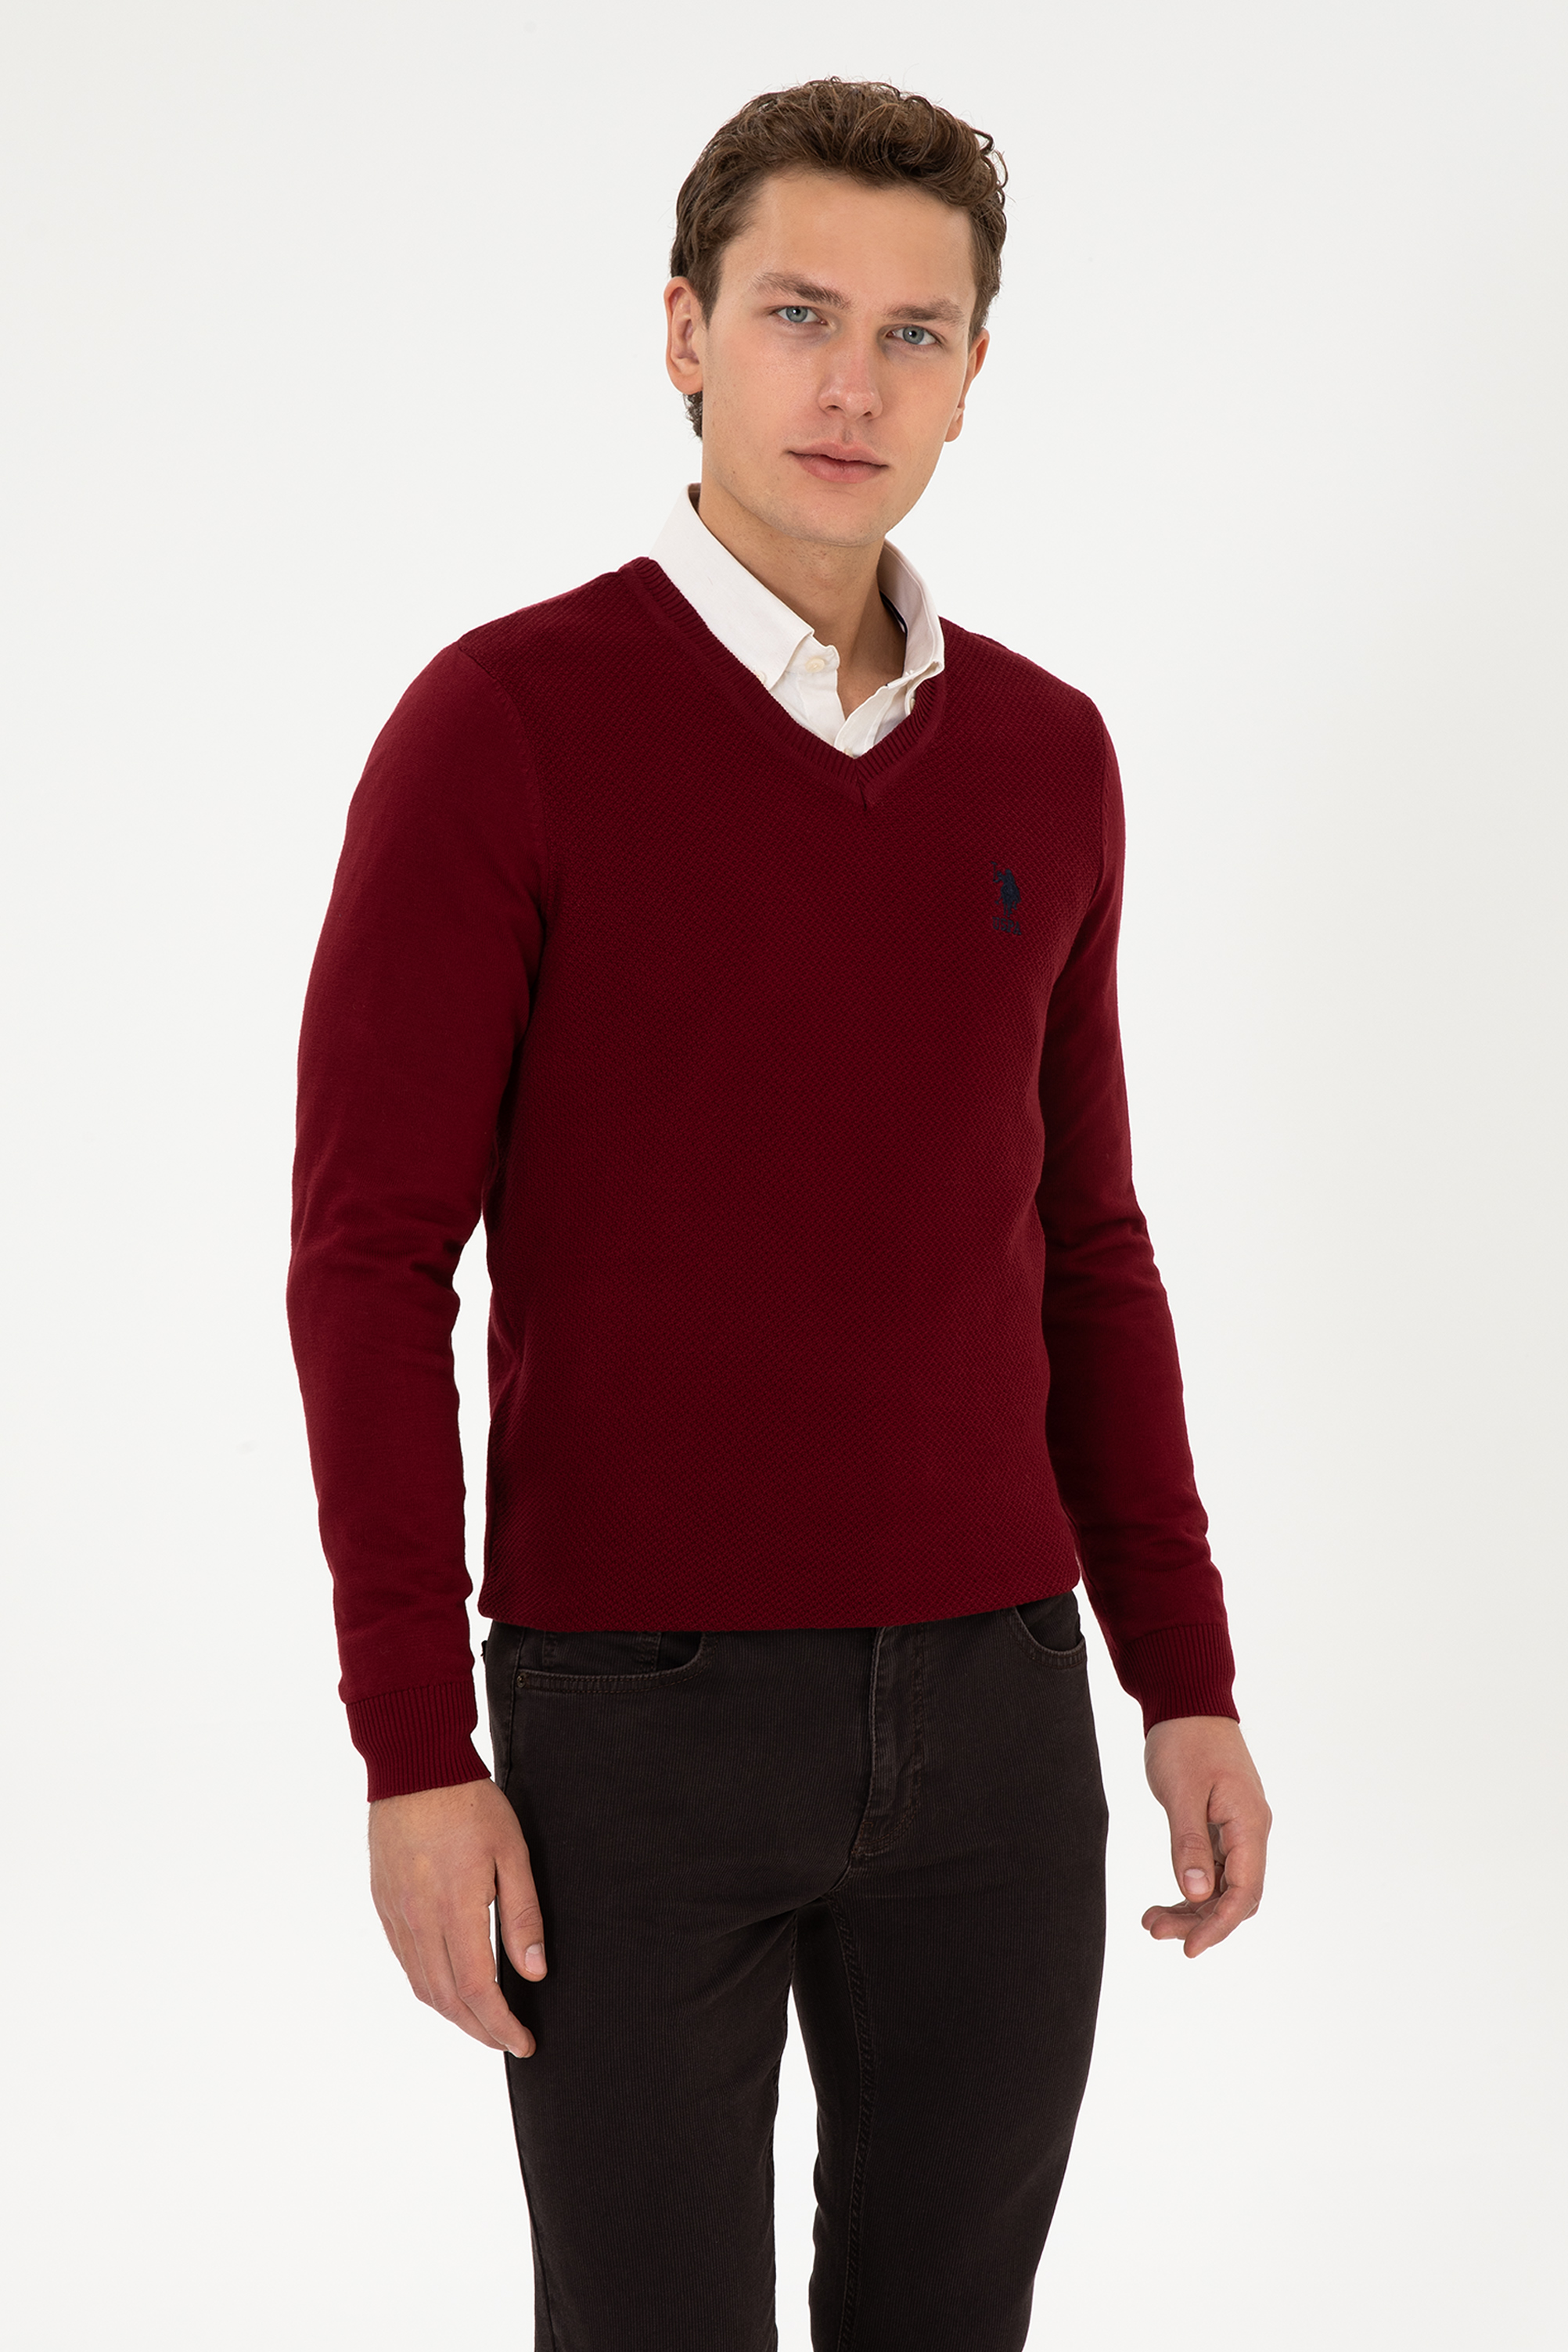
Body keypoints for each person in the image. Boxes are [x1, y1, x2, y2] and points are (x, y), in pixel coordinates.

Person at [287, 75, 1272, 2351]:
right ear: (684, 334)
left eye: (913, 333)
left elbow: (1088, 1241)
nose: (854, 384)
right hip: (634, 1719)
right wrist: (414, 1749)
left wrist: (1184, 1680)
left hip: (998, 1701)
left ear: (973, 372)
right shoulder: (506, 723)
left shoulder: (1044, 753)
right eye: (798, 313)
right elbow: (367, 1261)